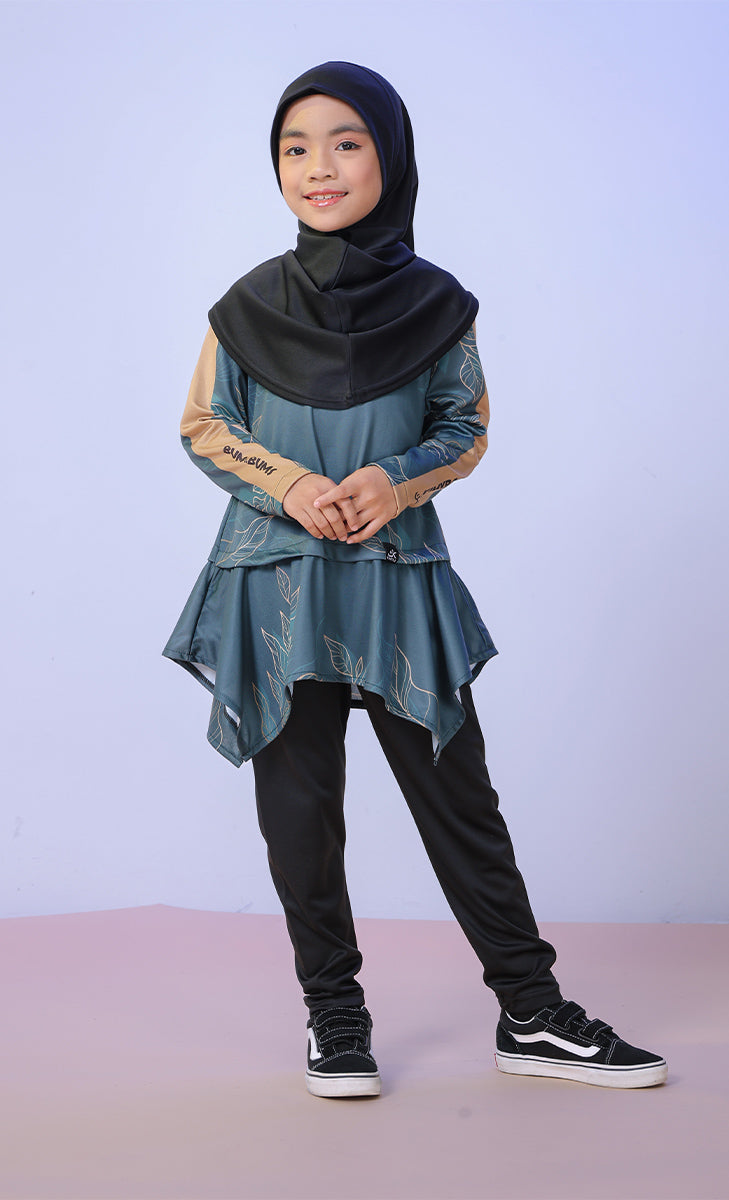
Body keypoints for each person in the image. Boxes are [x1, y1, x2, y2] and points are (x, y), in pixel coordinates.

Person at [164, 61, 667, 1098]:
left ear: (389, 158)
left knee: (457, 795)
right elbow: (205, 424)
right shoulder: (244, 306)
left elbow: (462, 425)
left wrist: (390, 484)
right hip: (276, 579)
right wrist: (294, 485)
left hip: (395, 571)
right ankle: (335, 1018)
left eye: (345, 142)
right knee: (301, 809)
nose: (317, 166)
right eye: (294, 147)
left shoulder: (439, 305)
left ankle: (531, 1012)